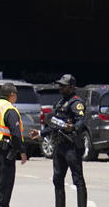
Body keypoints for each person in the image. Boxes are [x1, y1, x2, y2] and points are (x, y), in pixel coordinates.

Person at [0, 83, 39, 207]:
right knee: (4, 191)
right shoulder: (10, 110)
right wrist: (22, 151)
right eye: (16, 94)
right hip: (4, 154)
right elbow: (16, 134)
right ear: (12, 95)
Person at [44, 74, 87, 207]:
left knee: (78, 180)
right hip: (59, 146)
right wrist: (40, 133)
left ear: (72, 87)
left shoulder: (76, 102)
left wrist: (73, 127)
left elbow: (81, 121)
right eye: (60, 85)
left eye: (64, 85)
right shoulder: (59, 103)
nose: (60, 87)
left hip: (71, 146)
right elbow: (53, 125)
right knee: (57, 179)